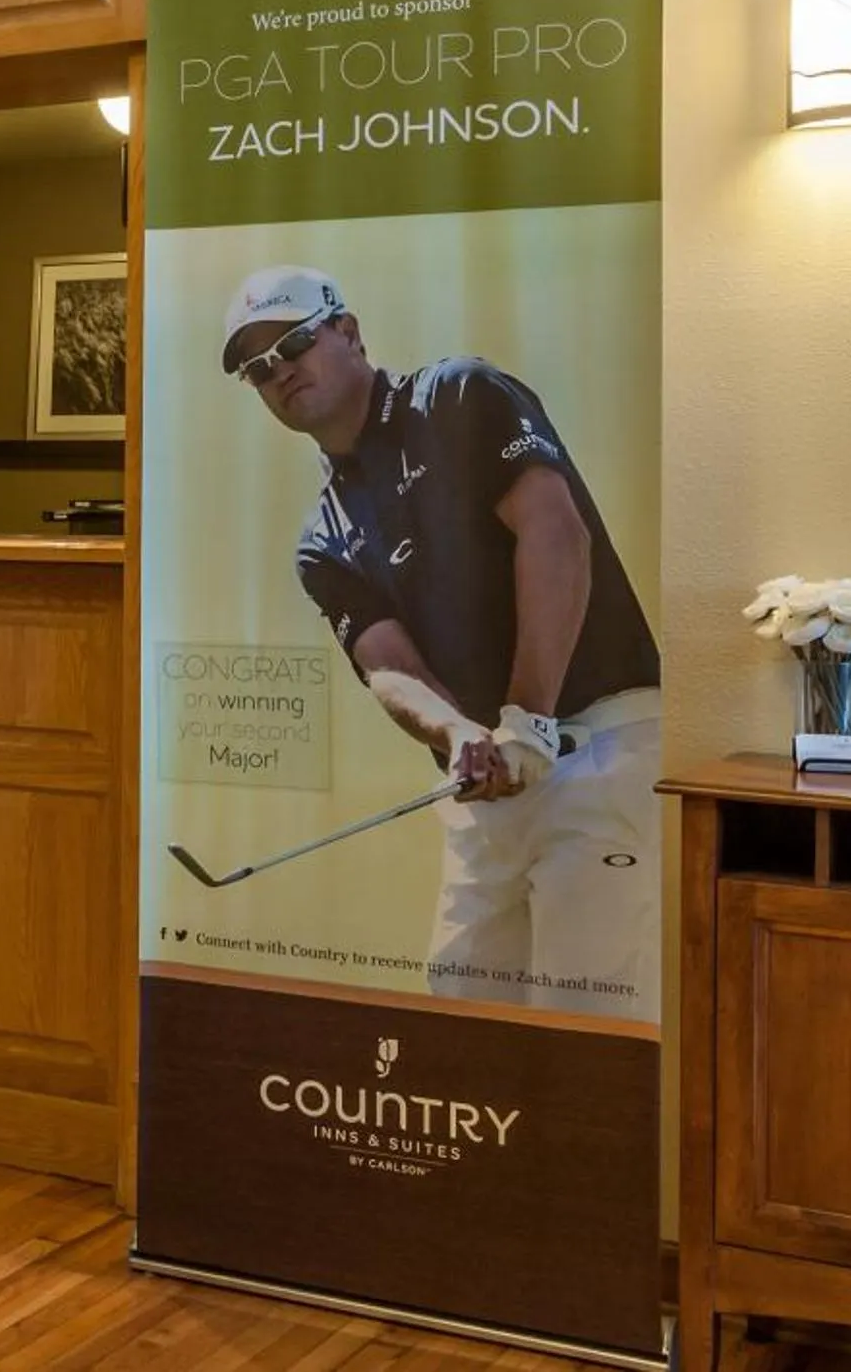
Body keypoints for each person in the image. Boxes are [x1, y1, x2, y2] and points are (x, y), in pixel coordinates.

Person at [221, 264, 661, 1019]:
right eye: (256, 367)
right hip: (482, 786)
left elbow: (555, 535)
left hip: (598, 749)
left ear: (349, 331)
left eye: (293, 340)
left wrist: (527, 714)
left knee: (586, 1008)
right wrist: (458, 731)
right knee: (461, 1001)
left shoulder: (459, 395)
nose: (279, 369)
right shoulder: (320, 539)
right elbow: (388, 667)